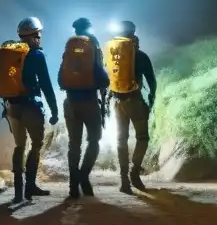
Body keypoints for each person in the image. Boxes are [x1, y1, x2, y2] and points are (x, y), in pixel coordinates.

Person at [0, 16, 59, 203]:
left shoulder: (10, 54)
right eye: (38, 35)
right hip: (30, 106)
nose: (39, 38)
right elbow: (46, 85)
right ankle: (30, 185)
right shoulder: (37, 55)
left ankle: (18, 191)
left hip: (11, 107)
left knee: (19, 146)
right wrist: (54, 110)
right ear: (34, 36)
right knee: (36, 144)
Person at [57, 17, 110, 199]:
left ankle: (73, 186)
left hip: (70, 102)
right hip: (89, 101)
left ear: (75, 29)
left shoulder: (69, 46)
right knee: (94, 140)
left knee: (74, 145)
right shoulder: (93, 44)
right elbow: (102, 76)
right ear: (89, 27)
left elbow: (60, 78)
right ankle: (83, 176)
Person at [104, 20, 157, 194]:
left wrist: (105, 102)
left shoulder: (112, 56)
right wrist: (151, 98)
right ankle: (135, 171)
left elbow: (107, 80)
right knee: (142, 137)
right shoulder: (140, 55)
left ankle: (124, 180)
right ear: (133, 32)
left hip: (117, 102)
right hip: (134, 100)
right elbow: (152, 81)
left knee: (121, 140)